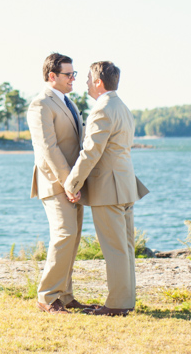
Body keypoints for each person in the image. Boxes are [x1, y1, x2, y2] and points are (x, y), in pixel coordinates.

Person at [64, 61, 149, 316]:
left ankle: (117, 304)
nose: (86, 83)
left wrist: (72, 183)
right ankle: (126, 300)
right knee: (124, 247)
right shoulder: (122, 107)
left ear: (99, 82)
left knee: (114, 248)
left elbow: (91, 152)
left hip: (108, 187)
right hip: (125, 184)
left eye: (89, 79)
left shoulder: (102, 110)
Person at [27, 53, 98, 314]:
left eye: (74, 74)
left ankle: (65, 296)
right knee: (64, 235)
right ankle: (47, 297)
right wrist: (68, 182)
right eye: (68, 74)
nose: (73, 79)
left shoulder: (67, 102)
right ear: (51, 76)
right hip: (56, 183)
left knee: (73, 238)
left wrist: (77, 181)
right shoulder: (40, 105)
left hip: (73, 183)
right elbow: (48, 148)